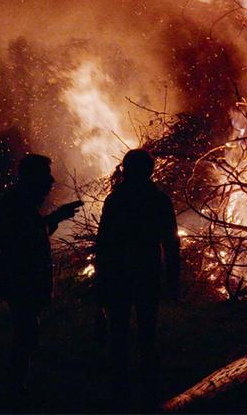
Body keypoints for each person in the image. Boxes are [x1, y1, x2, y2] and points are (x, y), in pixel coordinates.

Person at [95, 149, 181, 407]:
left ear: (126, 170)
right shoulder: (158, 200)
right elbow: (171, 243)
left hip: (119, 274)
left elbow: (103, 243)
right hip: (146, 272)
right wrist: (172, 279)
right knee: (147, 333)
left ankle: (120, 392)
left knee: (118, 334)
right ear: (150, 171)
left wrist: (101, 279)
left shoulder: (116, 199)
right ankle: (148, 392)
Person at [0, 154, 82, 400]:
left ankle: (20, 384)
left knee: (27, 330)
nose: (51, 180)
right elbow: (26, 238)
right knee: (26, 332)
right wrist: (55, 218)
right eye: (46, 174)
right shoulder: (18, 205)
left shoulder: (20, 204)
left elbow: (33, 232)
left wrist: (56, 217)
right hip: (22, 280)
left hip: (22, 280)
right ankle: (16, 389)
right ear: (32, 177)